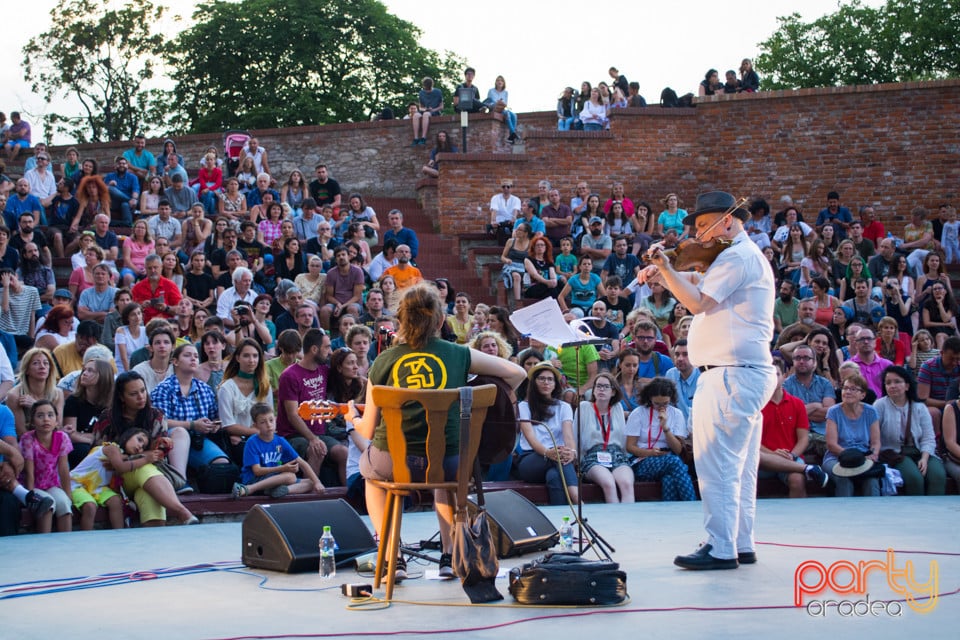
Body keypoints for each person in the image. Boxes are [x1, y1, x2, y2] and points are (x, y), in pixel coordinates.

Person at [348, 284, 524, 579]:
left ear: (400, 321)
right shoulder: (460, 355)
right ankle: (448, 555)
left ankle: (393, 557)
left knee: (371, 477)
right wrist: (484, 402)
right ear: (441, 321)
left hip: (396, 464)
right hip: (450, 464)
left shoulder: (383, 361)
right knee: (442, 471)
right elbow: (517, 373)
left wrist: (353, 417)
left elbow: (367, 430)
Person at [641, 191, 776, 570]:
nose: (698, 235)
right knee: (741, 468)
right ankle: (740, 542)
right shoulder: (738, 256)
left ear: (728, 221)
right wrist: (666, 273)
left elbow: (699, 301)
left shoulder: (737, 256)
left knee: (717, 465)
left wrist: (665, 270)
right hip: (743, 374)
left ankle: (721, 548)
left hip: (729, 375)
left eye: (703, 225)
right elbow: (696, 279)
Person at [93, 372, 197, 524]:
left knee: (149, 497)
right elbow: (99, 453)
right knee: (142, 467)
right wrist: (142, 457)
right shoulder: (107, 418)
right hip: (116, 479)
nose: (141, 397)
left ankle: (156, 542)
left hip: (150, 477)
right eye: (134, 394)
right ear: (121, 397)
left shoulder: (156, 415)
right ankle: (182, 512)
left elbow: (158, 454)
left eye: (143, 391)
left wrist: (126, 458)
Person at [758, 356, 828, 497]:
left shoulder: (797, 404)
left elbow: (803, 439)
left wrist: (792, 455)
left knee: (797, 479)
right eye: (768, 374)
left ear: (785, 376)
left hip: (791, 457)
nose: (772, 378)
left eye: (776, 374)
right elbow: (753, 441)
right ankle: (808, 469)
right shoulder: (756, 405)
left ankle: (801, 516)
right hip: (764, 458)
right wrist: (774, 455)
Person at [875, 366, 946, 496]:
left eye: (897, 382)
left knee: (938, 476)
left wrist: (924, 458)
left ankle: (935, 512)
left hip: (920, 450)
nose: (892, 386)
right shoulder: (879, 405)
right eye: (888, 383)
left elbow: (928, 437)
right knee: (914, 478)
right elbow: (874, 436)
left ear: (907, 386)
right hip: (894, 452)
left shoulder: (920, 407)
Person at [516, 362, 579, 505]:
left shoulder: (564, 406)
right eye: (541, 379)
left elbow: (568, 435)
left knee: (554, 477)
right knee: (558, 457)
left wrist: (572, 452)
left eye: (550, 379)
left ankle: (561, 519)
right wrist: (547, 452)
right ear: (534, 383)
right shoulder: (523, 406)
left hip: (558, 458)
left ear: (555, 384)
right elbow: (531, 438)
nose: (546, 382)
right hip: (531, 459)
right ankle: (577, 499)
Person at [233, 402, 324, 498]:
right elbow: (257, 471)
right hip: (254, 480)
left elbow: (302, 463)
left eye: (271, 420)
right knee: (290, 476)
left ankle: (281, 490)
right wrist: (282, 468)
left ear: (275, 420)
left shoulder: (280, 440)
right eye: (263, 422)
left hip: (274, 479)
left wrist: (318, 482)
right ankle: (248, 489)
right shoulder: (252, 442)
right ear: (255, 425)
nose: (268, 425)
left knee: (310, 482)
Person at [575, 373, 635, 503]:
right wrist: (577, 462)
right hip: (593, 456)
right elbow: (576, 437)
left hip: (617, 455)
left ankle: (629, 520)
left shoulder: (617, 407)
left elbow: (623, 437)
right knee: (609, 483)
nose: (601, 389)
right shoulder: (584, 407)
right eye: (598, 386)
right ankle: (614, 521)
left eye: (606, 386)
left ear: (613, 391)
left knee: (626, 484)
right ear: (594, 390)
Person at [19, 401, 73, 533]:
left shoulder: (62, 437)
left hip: (51, 484)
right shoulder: (28, 439)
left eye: (50, 415)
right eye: (40, 416)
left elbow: (63, 469)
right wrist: (31, 496)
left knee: (64, 504)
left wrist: (68, 495)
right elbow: (29, 472)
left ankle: (68, 545)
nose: (46, 419)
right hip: (32, 485)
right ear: (32, 421)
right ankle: (44, 545)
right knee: (47, 504)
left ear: (56, 421)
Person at [824, 373, 881, 497]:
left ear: (863, 395)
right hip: (837, 457)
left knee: (872, 481)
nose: (847, 392)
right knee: (843, 479)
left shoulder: (871, 411)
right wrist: (852, 457)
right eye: (845, 388)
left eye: (853, 389)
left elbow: (875, 442)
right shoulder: (833, 412)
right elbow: (831, 445)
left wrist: (874, 454)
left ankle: (875, 512)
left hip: (864, 457)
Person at [484, 75, 519, 143]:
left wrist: (501, 103)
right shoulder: (491, 91)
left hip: (502, 108)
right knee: (507, 114)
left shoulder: (506, 92)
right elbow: (488, 102)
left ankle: (512, 135)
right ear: (496, 82)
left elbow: (505, 103)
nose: (499, 82)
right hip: (495, 109)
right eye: (498, 80)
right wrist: (496, 103)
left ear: (503, 83)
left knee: (514, 115)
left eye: (501, 80)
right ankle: (512, 134)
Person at [412, 77, 443, 145]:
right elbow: (420, 107)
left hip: (435, 111)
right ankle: (416, 138)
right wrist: (425, 109)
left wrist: (433, 109)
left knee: (426, 115)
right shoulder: (421, 93)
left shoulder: (438, 92)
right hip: (425, 110)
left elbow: (441, 106)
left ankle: (423, 137)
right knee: (416, 115)